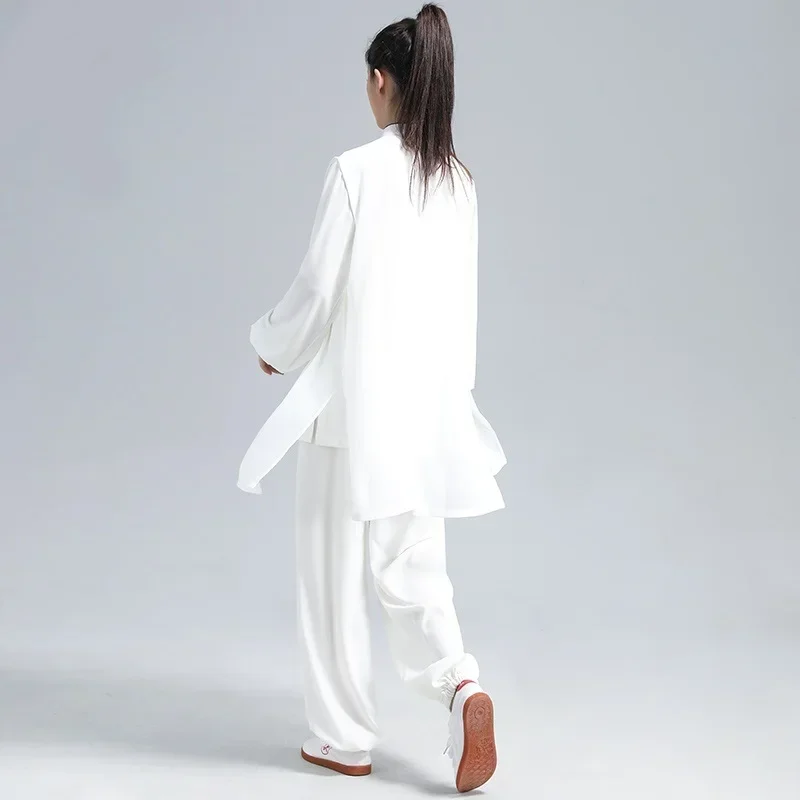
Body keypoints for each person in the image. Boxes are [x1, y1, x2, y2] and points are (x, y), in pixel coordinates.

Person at [238, 3, 505, 793]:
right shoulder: (458, 182)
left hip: (348, 411)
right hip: (426, 411)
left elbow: (318, 290)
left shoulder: (356, 171)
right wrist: (453, 404)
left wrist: (271, 345)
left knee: (331, 575)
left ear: (381, 82)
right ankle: (460, 685)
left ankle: (342, 736)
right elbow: (463, 309)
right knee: (415, 566)